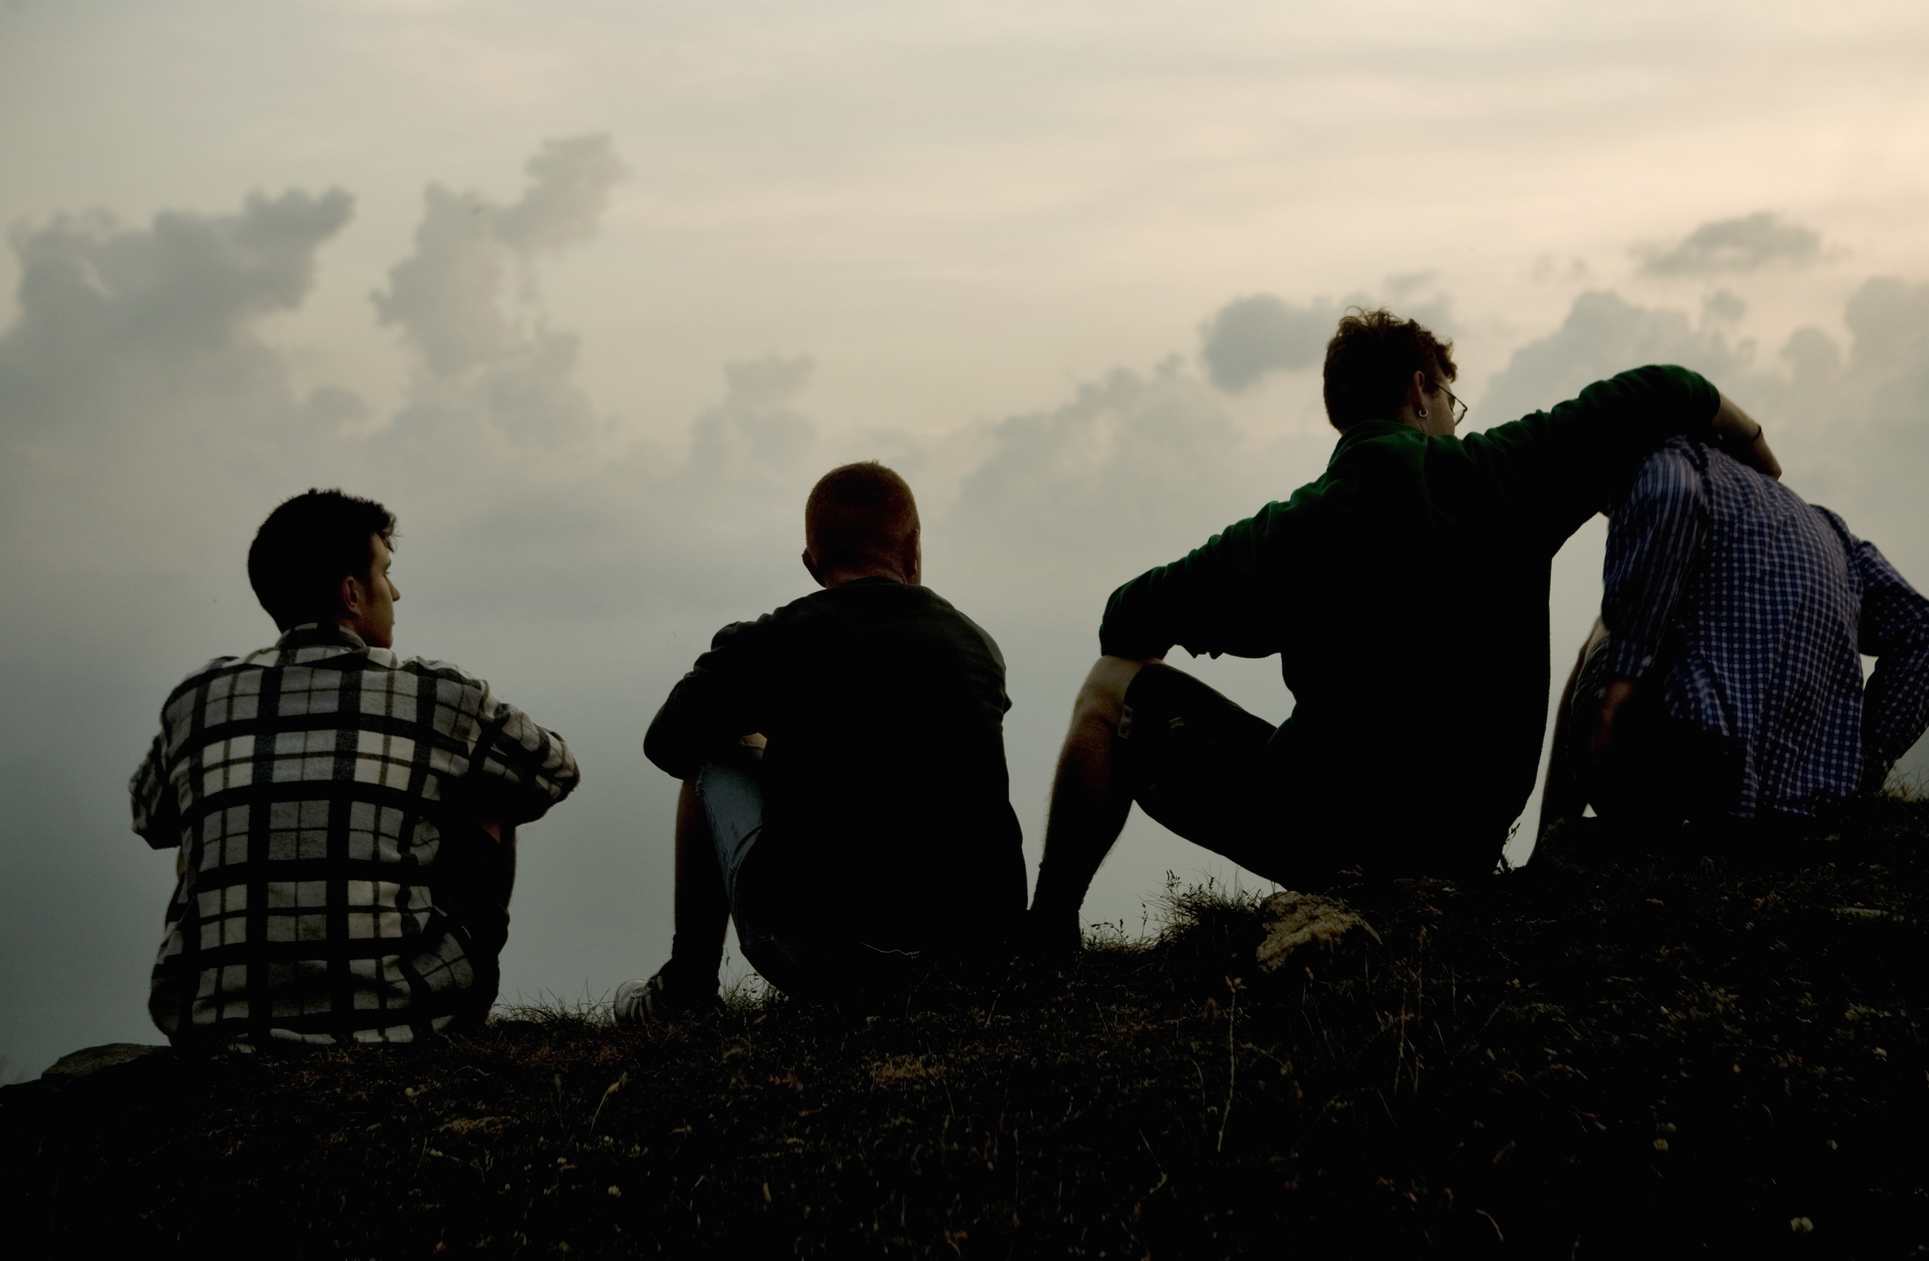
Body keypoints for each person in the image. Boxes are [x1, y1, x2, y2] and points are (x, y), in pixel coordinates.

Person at [1024, 309, 1783, 947]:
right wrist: (1757, 452)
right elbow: (1661, 388)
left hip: (1322, 839)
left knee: (1110, 688)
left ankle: (1049, 932)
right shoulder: (1505, 474)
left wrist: (1266, 613)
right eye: (1451, 398)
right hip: (1462, 845)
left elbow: (1123, 620)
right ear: (1422, 389)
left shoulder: (1289, 533)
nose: (1454, 416)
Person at [128, 489, 580, 1046]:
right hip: (401, 1020)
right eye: (384, 573)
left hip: (212, 1028)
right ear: (351, 593)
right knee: (489, 788)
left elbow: (150, 818)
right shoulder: (434, 694)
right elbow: (553, 772)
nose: (395, 591)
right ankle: (438, 995)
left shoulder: (197, 699)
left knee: (206, 814)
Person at [621, 461, 1025, 1016]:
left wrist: (758, 738)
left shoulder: (772, 641)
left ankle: (687, 983)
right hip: (979, 964)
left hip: (832, 960)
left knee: (710, 751)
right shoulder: (977, 645)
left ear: (813, 565)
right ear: (912, 551)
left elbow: (667, 743)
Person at [1534, 435, 1929, 845]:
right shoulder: (1828, 528)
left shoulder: (1672, 466)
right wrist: (1859, 766)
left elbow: (1673, 493)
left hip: (1692, 784)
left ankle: (1557, 832)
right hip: (1804, 803)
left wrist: (1621, 681)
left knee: (1606, 628)